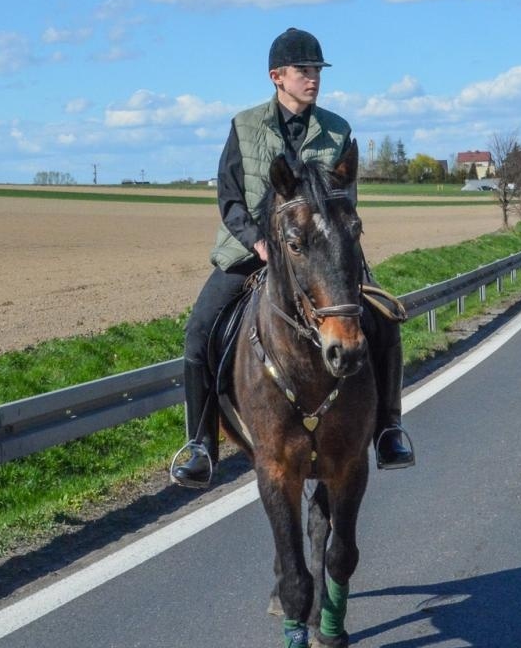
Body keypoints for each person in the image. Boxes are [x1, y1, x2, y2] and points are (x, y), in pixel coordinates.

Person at [169, 28, 415, 489]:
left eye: (317, 71)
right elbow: (230, 198)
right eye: (304, 71)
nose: (313, 78)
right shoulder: (244, 127)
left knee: (383, 324)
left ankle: (388, 428)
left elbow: (345, 204)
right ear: (276, 77)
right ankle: (201, 444)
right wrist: (259, 243)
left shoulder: (337, 130)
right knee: (199, 330)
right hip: (250, 253)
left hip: (322, 257)